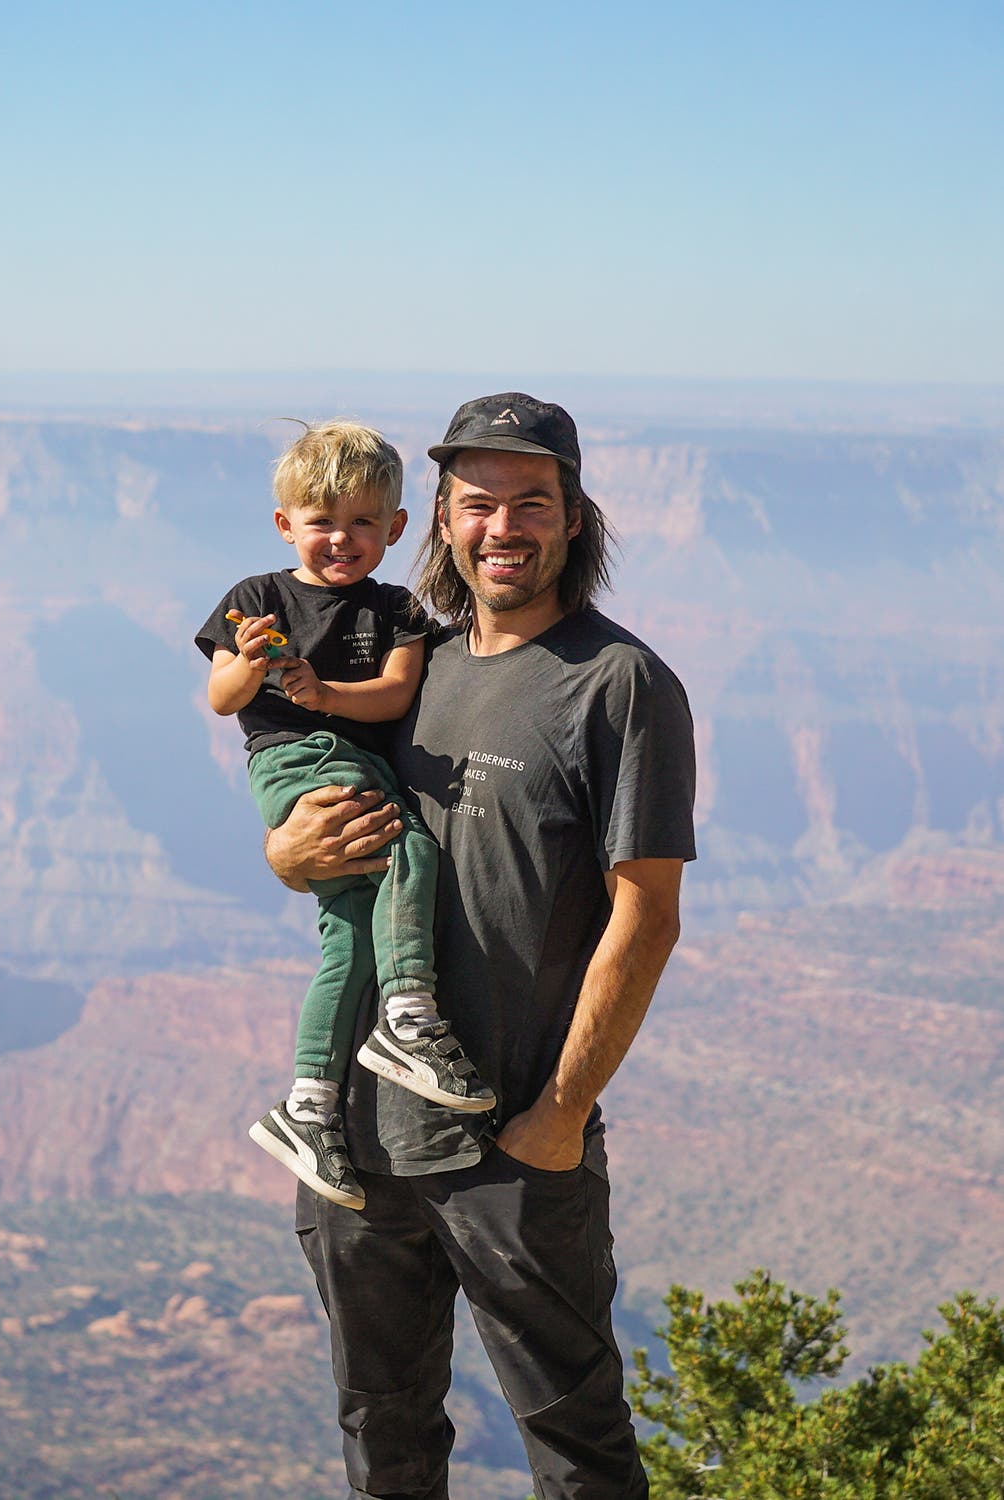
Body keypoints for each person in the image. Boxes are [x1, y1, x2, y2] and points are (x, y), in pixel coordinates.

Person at [264, 393, 696, 1500]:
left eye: (531, 504)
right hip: (358, 1144)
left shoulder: (619, 685)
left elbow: (644, 914)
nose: (504, 528)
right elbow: (324, 823)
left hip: (509, 1139)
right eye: (478, 505)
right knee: (385, 1430)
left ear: (573, 518)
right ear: (441, 523)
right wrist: (287, 855)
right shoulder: (411, 663)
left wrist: (556, 1118)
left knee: (576, 1442)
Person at [195, 420, 495, 1214]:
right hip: (298, 762)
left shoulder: (396, 608)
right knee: (410, 854)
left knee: (348, 946)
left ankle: (310, 1105)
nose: (342, 539)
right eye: (322, 521)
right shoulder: (255, 600)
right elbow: (222, 699)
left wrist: (325, 693)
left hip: (339, 741)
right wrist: (254, 663)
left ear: (396, 529)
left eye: (364, 522)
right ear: (285, 524)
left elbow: (396, 690)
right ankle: (409, 1015)